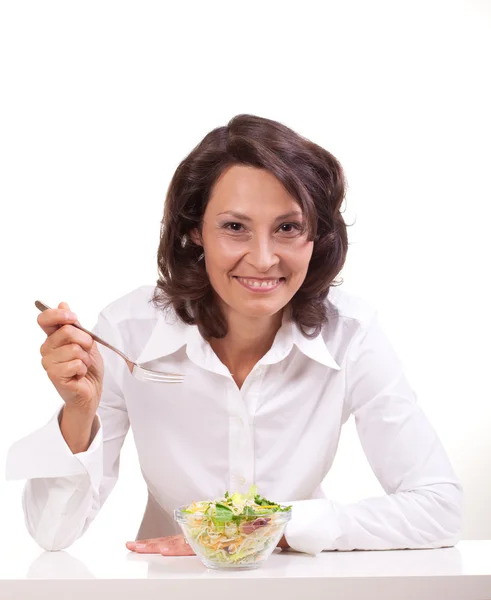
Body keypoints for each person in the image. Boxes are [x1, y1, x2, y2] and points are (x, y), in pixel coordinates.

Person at [5, 114, 463, 556]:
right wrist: (79, 413)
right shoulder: (129, 333)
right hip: (174, 590)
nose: (263, 259)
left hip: (299, 586)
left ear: (316, 235)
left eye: (287, 227)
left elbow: (438, 508)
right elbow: (52, 534)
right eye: (234, 227)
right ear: (194, 231)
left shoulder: (352, 334)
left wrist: (273, 528)